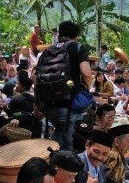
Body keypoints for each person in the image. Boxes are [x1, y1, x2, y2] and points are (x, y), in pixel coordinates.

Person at [38, 21, 91, 152]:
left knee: (58, 135)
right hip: (70, 103)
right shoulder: (78, 47)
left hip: (49, 105)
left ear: (60, 33)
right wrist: (87, 89)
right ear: (76, 35)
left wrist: (39, 103)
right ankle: (65, 168)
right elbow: (86, 73)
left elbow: (36, 78)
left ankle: (52, 164)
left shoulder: (48, 50)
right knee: (69, 144)